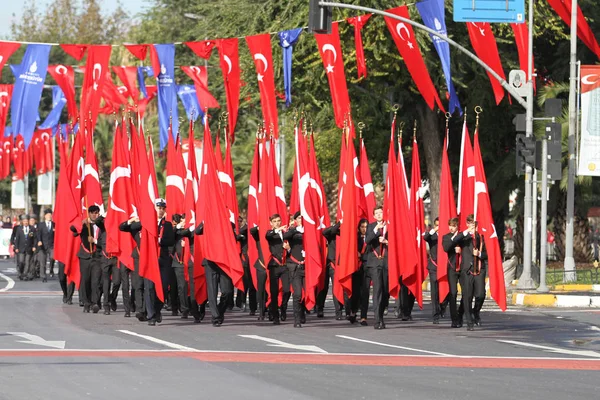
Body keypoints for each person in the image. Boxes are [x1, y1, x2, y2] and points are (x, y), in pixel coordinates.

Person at [449, 214, 487, 331]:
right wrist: (465, 232)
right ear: (467, 224)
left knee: (480, 294)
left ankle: (476, 312)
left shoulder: (481, 237)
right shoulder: (463, 237)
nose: (471, 225)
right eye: (469, 222)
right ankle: (469, 321)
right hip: (467, 270)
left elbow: (487, 254)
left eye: (473, 223)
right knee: (467, 296)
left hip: (479, 269)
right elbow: (453, 240)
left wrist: (479, 254)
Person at [71, 206, 104, 313]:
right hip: (85, 257)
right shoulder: (85, 225)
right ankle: (86, 302)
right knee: (85, 280)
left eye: (96, 213)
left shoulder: (101, 225)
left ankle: (95, 302)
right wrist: (81, 223)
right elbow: (73, 230)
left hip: (97, 257)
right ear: (89, 214)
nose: (95, 215)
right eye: (93, 213)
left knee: (96, 281)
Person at [364, 206, 388, 330]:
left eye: (381, 212)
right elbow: (367, 240)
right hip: (374, 262)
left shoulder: (389, 225)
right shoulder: (371, 226)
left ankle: (382, 318)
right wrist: (375, 230)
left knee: (385, 292)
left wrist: (386, 242)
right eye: (376, 213)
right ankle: (377, 320)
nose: (379, 215)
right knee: (377, 290)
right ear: (374, 216)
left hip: (386, 262)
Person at [265, 213, 291, 325]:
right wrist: (278, 229)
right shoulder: (270, 233)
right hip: (274, 265)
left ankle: (283, 307)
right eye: (275, 221)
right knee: (274, 292)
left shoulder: (286, 234)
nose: (277, 223)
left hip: (285, 265)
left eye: (279, 221)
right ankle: (275, 315)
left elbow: (291, 249)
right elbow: (268, 236)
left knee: (287, 290)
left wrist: (288, 248)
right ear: (271, 223)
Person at [284, 211, 306, 328]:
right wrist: (293, 228)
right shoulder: (293, 232)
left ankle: (303, 313)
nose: (301, 219)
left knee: (307, 292)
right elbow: (285, 236)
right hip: (295, 266)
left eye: (302, 218)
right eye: (298, 218)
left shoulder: (310, 230)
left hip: (307, 266)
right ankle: (297, 319)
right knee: (297, 293)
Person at [318, 221, 343, 320]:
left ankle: (339, 311)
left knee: (337, 288)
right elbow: (325, 232)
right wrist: (338, 224)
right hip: (330, 263)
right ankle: (320, 307)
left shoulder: (345, 233)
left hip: (340, 264)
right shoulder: (332, 234)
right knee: (324, 287)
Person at [442, 217, 463, 328]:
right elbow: (446, 248)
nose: (452, 228)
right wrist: (454, 238)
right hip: (452, 268)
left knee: (466, 293)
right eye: (450, 225)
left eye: (454, 226)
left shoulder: (462, 237)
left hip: (463, 268)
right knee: (453, 293)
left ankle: (461, 313)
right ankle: (454, 319)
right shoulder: (446, 237)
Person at [236, 216, 257, 315]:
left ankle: (254, 307)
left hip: (255, 261)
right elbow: (238, 234)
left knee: (253, 285)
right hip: (245, 261)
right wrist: (248, 226)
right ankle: (242, 302)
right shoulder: (244, 230)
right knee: (245, 284)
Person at [424, 217, 443, 324]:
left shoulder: (447, 235)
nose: (439, 227)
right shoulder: (432, 236)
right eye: (437, 225)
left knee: (446, 290)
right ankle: (435, 314)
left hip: (445, 267)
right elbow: (425, 237)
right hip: (434, 267)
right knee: (434, 291)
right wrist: (434, 230)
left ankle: (442, 307)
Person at [13, 215, 36, 281]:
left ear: (28, 221)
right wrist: (16, 247)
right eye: (24, 221)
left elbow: (34, 239)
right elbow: (17, 239)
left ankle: (25, 275)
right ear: (22, 222)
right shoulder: (19, 229)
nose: (25, 222)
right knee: (21, 262)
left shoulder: (32, 228)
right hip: (21, 248)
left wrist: (34, 246)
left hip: (29, 248)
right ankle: (21, 272)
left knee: (27, 262)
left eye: (27, 221)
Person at [37, 209, 55, 281]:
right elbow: (38, 234)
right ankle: (43, 276)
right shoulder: (41, 224)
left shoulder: (54, 224)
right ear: (45, 216)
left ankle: (51, 269)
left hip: (51, 245)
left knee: (52, 257)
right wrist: (39, 241)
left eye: (50, 215)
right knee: (42, 261)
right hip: (42, 245)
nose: (49, 216)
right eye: (48, 215)